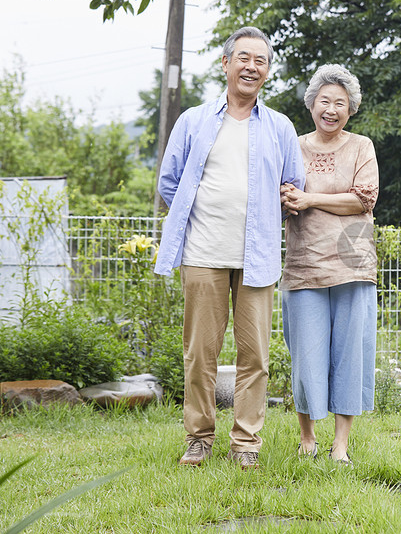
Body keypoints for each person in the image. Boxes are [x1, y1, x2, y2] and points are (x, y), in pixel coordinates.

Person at [154, 26, 305, 469]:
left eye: (260, 61)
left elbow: (293, 184)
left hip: (256, 257)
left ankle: (246, 444)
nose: (251, 66)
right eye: (243, 58)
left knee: (254, 355)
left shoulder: (279, 126)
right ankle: (199, 438)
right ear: (225, 64)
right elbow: (169, 181)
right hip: (202, 253)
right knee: (200, 352)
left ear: (267, 71)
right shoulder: (194, 120)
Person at [280, 64, 379, 464]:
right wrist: (293, 198)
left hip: (353, 262)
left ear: (350, 109)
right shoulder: (294, 145)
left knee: (349, 353)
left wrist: (310, 199)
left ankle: (341, 444)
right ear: (311, 105)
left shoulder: (361, 146)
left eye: (340, 103)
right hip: (304, 263)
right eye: (325, 101)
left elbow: (364, 199)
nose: (332, 109)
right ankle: (307, 438)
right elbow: (284, 194)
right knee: (306, 352)